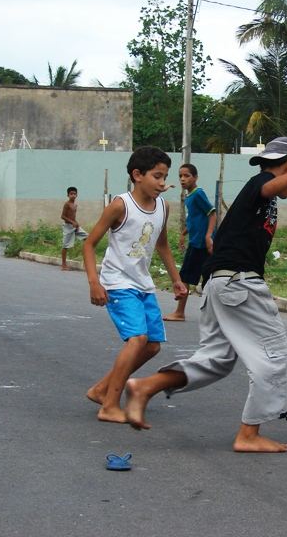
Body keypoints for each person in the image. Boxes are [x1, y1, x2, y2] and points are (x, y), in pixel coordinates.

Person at [124, 137, 287, 453]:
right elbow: (269, 187)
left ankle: (145, 387)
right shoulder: (262, 183)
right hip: (239, 284)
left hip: (220, 285)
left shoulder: (259, 199)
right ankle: (249, 434)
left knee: (217, 360)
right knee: (274, 355)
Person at [83, 146, 187, 423]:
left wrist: (176, 280)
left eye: (165, 177)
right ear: (137, 175)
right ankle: (109, 404)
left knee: (152, 346)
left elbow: (162, 245)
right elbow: (89, 244)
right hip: (117, 282)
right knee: (137, 339)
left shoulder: (163, 207)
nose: (163, 184)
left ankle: (102, 389)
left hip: (143, 283)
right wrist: (94, 283)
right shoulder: (120, 205)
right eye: (157, 176)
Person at [163, 163, 216, 322]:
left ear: (195, 177)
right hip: (195, 241)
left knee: (185, 276)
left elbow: (212, 213)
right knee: (208, 278)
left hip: (201, 243)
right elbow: (193, 218)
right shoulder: (190, 195)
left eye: (187, 176)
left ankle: (180, 312)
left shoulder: (198, 194)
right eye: (180, 176)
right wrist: (183, 234)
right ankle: (214, 315)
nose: (182, 179)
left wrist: (208, 236)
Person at [60, 186, 88, 270]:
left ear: (77, 195)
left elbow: (73, 216)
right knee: (65, 245)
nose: (73, 195)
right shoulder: (67, 204)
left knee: (87, 238)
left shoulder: (75, 205)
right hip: (68, 227)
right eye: (71, 194)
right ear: (68, 195)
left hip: (74, 226)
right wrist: (72, 222)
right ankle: (63, 265)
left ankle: (85, 260)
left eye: (74, 194)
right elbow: (63, 216)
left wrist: (76, 222)